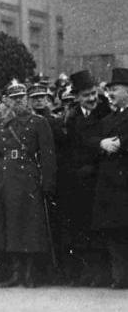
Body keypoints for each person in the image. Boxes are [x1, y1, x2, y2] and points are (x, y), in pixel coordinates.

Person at [0, 80, 56, 288]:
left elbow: (48, 156)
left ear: (27, 99)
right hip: (5, 178)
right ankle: (15, 272)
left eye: (22, 98)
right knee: (8, 226)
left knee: (29, 226)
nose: (19, 102)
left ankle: (30, 273)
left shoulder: (38, 122)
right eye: (14, 99)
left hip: (28, 178)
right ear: (7, 100)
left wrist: (48, 183)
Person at [63, 69, 111, 286]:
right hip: (77, 181)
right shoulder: (72, 117)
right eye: (86, 96)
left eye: (93, 94)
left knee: (98, 228)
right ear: (77, 97)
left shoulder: (106, 112)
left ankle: (101, 273)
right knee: (80, 227)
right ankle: (85, 273)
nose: (92, 99)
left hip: (99, 178)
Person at [87, 68, 128, 288]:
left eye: (116, 89)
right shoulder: (108, 118)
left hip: (124, 181)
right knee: (114, 232)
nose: (111, 93)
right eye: (110, 89)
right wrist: (101, 144)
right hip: (110, 184)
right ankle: (119, 277)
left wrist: (122, 142)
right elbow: (91, 139)